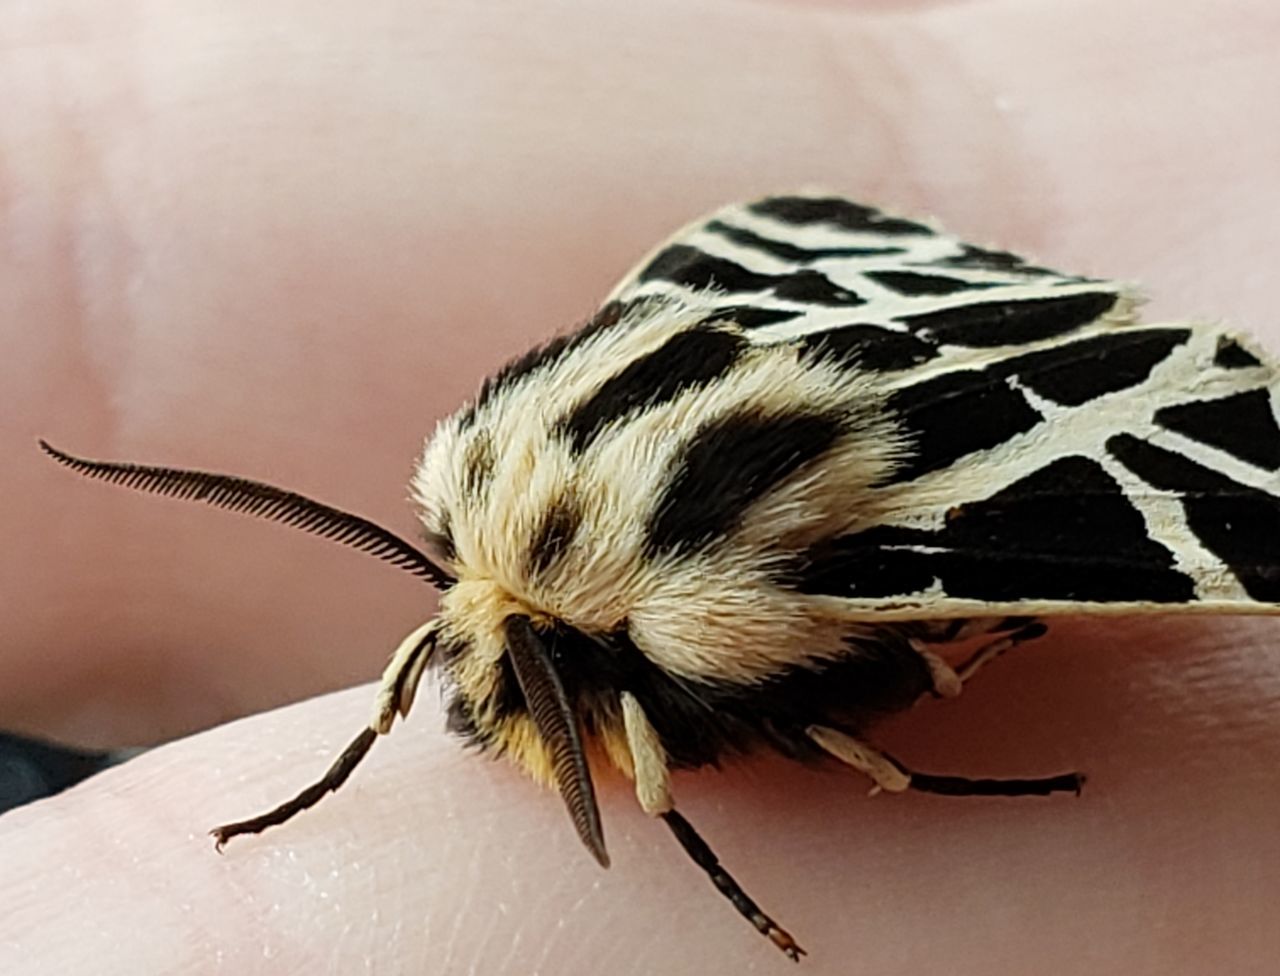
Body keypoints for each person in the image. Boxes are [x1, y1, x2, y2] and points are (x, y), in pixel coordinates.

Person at [2, 1, 1277, 972]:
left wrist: (909, 777)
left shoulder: (733, 588)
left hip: (1028, 427)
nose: (458, 666)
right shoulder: (491, 530)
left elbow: (764, 706)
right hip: (876, 315)